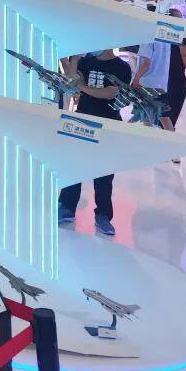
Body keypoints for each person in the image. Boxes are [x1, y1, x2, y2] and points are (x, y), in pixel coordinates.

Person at [58, 48, 131, 236]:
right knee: (74, 166)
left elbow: (110, 93)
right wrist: (75, 59)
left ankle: (103, 215)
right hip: (82, 120)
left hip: (108, 124)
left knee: (104, 173)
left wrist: (82, 87)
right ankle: (66, 207)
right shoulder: (86, 62)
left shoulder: (122, 67)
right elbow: (71, 82)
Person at [166, 8, 186, 127]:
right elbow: (184, 53)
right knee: (174, 106)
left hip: (163, 73)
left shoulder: (159, 31)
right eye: (179, 18)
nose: (181, 20)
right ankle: (169, 130)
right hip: (176, 73)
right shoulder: (178, 32)